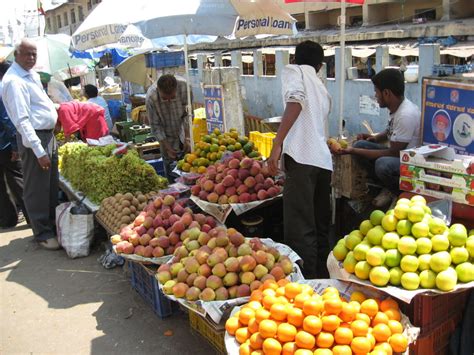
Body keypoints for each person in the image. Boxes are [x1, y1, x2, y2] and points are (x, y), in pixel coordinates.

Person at [267, 41, 333, 279]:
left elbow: (295, 100)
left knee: (300, 228)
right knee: (320, 225)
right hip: (323, 163)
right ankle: (323, 279)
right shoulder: (321, 86)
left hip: (302, 158)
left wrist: (277, 144)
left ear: (294, 60)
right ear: (320, 66)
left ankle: (304, 283)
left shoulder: (293, 71)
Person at [2, 39, 60, 250]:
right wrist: (38, 150)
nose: (32, 58)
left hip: (47, 134)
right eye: (27, 54)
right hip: (34, 138)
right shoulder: (14, 81)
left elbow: (39, 106)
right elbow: (22, 120)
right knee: (37, 188)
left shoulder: (32, 75)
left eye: (34, 54)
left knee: (51, 185)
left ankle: (52, 226)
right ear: (16, 55)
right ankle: (42, 233)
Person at [339, 68, 421, 207]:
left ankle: (399, 193)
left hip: (410, 162)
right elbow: (390, 132)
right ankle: (387, 187)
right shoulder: (397, 109)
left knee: (382, 165)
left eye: (376, 92)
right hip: (397, 154)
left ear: (387, 93)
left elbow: (393, 152)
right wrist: (374, 138)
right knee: (361, 145)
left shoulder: (406, 114)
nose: (375, 96)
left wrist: (351, 151)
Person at [146, 74, 191, 182]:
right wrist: (167, 147)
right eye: (165, 98)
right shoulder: (151, 98)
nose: (170, 101)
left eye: (173, 97)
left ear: (176, 89)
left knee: (189, 167)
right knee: (170, 170)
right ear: (158, 90)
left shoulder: (184, 87)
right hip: (165, 135)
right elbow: (156, 126)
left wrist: (187, 138)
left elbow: (188, 114)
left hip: (182, 131)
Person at [0, 61, 29, 228]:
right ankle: (31, 218)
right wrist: (15, 146)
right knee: (17, 179)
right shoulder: (4, 88)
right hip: (4, 145)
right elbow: (6, 120)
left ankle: (7, 219)